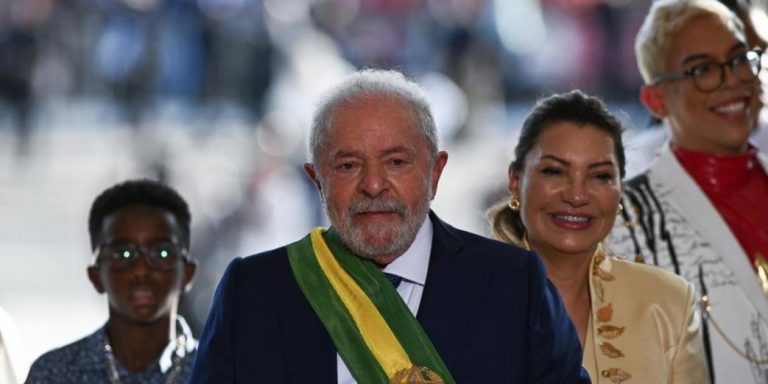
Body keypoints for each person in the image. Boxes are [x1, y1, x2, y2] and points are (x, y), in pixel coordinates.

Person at [190, 69, 589, 383]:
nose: (373, 184)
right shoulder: (253, 292)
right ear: (317, 180)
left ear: (435, 172)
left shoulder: (514, 285)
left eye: (397, 162)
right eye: (348, 165)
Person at [488, 90, 709, 383]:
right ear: (516, 181)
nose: (577, 195)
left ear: (620, 191)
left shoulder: (669, 303)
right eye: (554, 171)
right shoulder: (463, 297)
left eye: (600, 176)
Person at [604, 1, 768, 382]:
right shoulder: (623, 224)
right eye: (702, 70)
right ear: (656, 100)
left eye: (739, 59)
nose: (733, 79)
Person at [26, 179, 198, 383]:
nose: (141, 270)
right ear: (96, 276)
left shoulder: (218, 370)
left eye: (161, 253)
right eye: (122, 254)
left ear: (187, 273)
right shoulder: (54, 373)